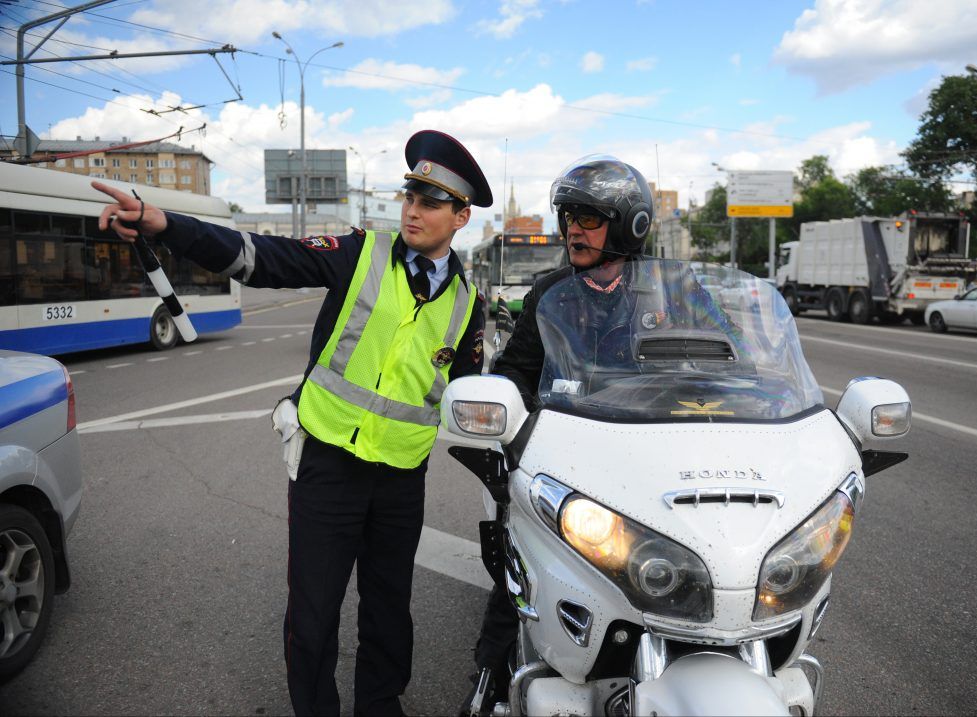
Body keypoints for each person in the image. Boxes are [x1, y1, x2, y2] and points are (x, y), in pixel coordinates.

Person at [93, 129, 492, 717]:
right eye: (410, 196)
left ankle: (380, 707)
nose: (412, 210)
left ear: (460, 217)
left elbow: (464, 395)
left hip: (401, 479)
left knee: (390, 611)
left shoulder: (468, 304)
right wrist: (164, 224)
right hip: (328, 462)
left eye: (430, 203)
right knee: (313, 615)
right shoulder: (360, 252)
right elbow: (261, 259)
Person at [461, 155, 655, 716]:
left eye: (589, 218)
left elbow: (722, 363)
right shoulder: (550, 292)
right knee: (519, 574)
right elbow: (517, 372)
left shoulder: (667, 294)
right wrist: (506, 416)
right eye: (569, 216)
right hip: (568, 454)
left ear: (628, 224)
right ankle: (489, 685)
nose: (573, 228)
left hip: (646, 451)